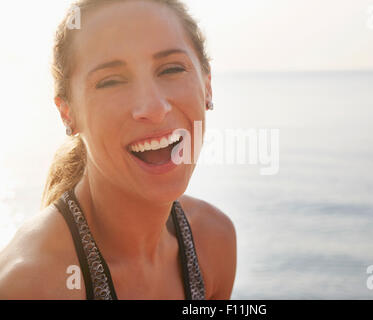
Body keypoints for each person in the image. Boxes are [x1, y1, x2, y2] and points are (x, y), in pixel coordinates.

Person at [0, 0, 236, 300]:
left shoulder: (213, 241)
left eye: (171, 69)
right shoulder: (33, 285)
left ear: (208, 86)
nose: (154, 108)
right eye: (111, 81)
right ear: (67, 113)